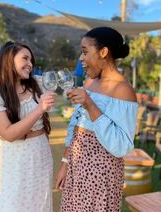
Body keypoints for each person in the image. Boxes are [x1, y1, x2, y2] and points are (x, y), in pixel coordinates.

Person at [55, 27, 138, 212]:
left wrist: (90, 104)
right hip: (76, 165)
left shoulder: (123, 90)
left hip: (101, 173)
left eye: (85, 52)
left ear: (103, 52)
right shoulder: (89, 82)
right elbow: (75, 126)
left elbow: (122, 146)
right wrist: (65, 163)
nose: (80, 58)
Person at [0, 41, 55, 212]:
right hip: (13, 161)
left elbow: (43, 126)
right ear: (9, 60)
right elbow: (8, 134)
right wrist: (39, 108)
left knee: (41, 206)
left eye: (31, 60)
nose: (30, 64)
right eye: (25, 58)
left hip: (40, 156)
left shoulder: (38, 85)